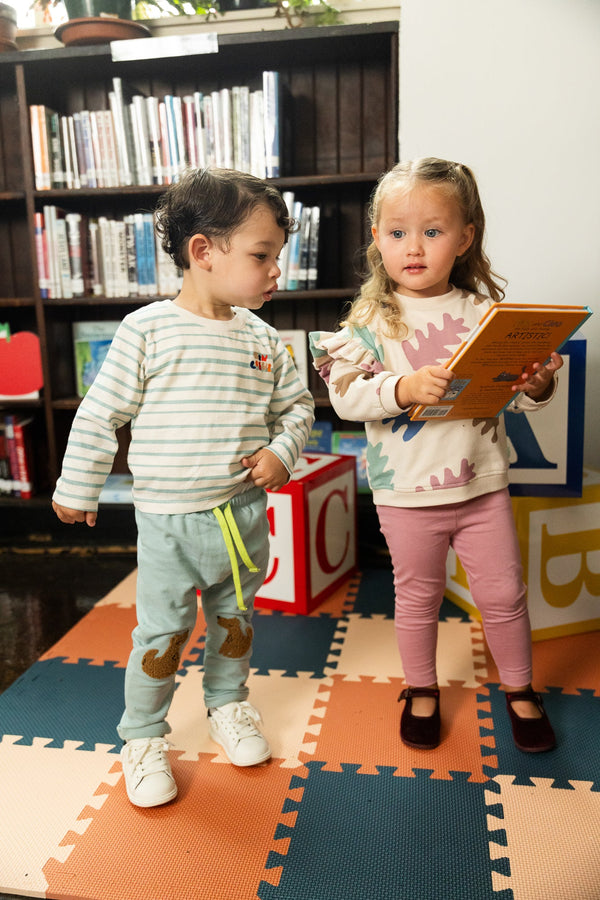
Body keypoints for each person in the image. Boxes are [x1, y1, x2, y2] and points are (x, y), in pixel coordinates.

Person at [52, 168, 315, 806]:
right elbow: (100, 412)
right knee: (162, 635)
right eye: (261, 256)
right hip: (169, 523)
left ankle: (228, 703)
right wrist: (78, 486)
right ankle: (142, 736)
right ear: (204, 252)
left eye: (278, 256)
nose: (276, 270)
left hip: (242, 514)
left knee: (234, 621)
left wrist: (282, 453)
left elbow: (299, 408)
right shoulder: (147, 330)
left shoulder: (264, 340)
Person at [310, 157, 560, 754]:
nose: (413, 247)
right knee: (417, 595)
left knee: (503, 594)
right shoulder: (371, 319)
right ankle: (421, 688)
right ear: (377, 239)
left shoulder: (482, 313)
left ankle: (520, 690)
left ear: (465, 237)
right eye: (397, 233)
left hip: (482, 486)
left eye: (432, 231)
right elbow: (345, 398)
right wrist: (401, 388)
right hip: (406, 493)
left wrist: (536, 385)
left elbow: (516, 399)